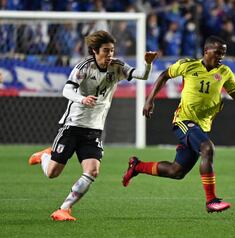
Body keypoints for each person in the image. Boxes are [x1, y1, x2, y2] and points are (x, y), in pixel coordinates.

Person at [122, 35, 235, 213]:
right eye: (217, 53)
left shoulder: (224, 73)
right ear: (206, 51)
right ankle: (211, 201)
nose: (221, 57)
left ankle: (137, 166)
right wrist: (149, 100)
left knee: (176, 172)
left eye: (223, 53)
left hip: (202, 127)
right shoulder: (188, 65)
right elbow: (164, 75)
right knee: (207, 148)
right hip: (184, 121)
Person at [28, 30, 157, 221]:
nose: (110, 55)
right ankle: (45, 156)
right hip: (72, 125)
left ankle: (64, 209)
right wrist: (82, 99)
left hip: (94, 129)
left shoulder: (117, 66)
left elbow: (142, 76)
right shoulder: (84, 67)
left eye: (112, 50)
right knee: (52, 173)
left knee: (92, 171)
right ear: (95, 51)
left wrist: (148, 63)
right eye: (106, 51)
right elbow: (67, 89)